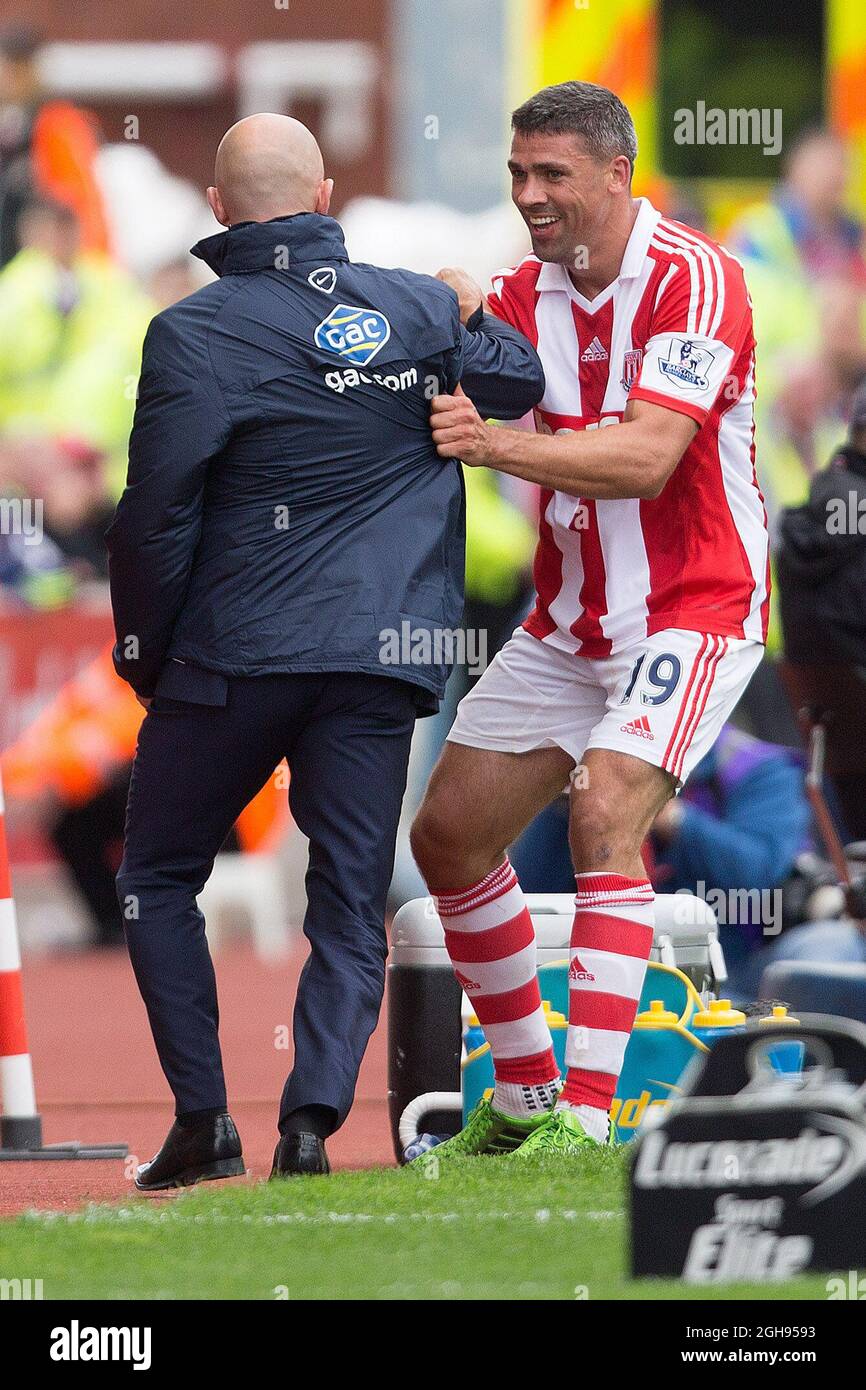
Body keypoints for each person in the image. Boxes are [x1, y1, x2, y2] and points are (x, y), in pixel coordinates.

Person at [106, 114, 544, 1187]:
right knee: (348, 899)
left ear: (218, 210)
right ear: (326, 196)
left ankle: (205, 1117)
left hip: (229, 656)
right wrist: (468, 306)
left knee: (156, 874)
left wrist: (142, 655)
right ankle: (309, 1127)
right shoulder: (411, 304)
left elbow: (153, 518)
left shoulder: (193, 333)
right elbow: (516, 383)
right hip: (378, 661)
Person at [409, 81, 769, 1163]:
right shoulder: (526, 290)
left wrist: (493, 445)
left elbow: (646, 457)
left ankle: (590, 1118)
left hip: (692, 609)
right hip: (568, 621)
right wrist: (437, 301)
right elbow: (447, 331)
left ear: (616, 174)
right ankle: (522, 1095)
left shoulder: (696, 280)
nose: (528, 195)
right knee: (447, 834)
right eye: (518, 174)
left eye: (551, 175)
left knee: (602, 814)